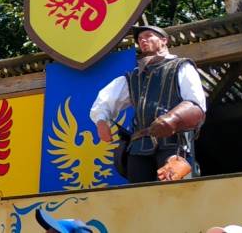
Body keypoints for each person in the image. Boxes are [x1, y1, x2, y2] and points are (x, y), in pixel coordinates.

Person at [89, 24, 207, 183]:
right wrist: (101, 120)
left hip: (173, 144)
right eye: (140, 39)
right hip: (138, 147)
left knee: (173, 193)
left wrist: (172, 119)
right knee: (139, 196)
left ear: (164, 40)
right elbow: (105, 100)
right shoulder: (133, 77)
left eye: (148, 36)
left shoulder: (181, 66)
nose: (143, 40)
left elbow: (196, 104)